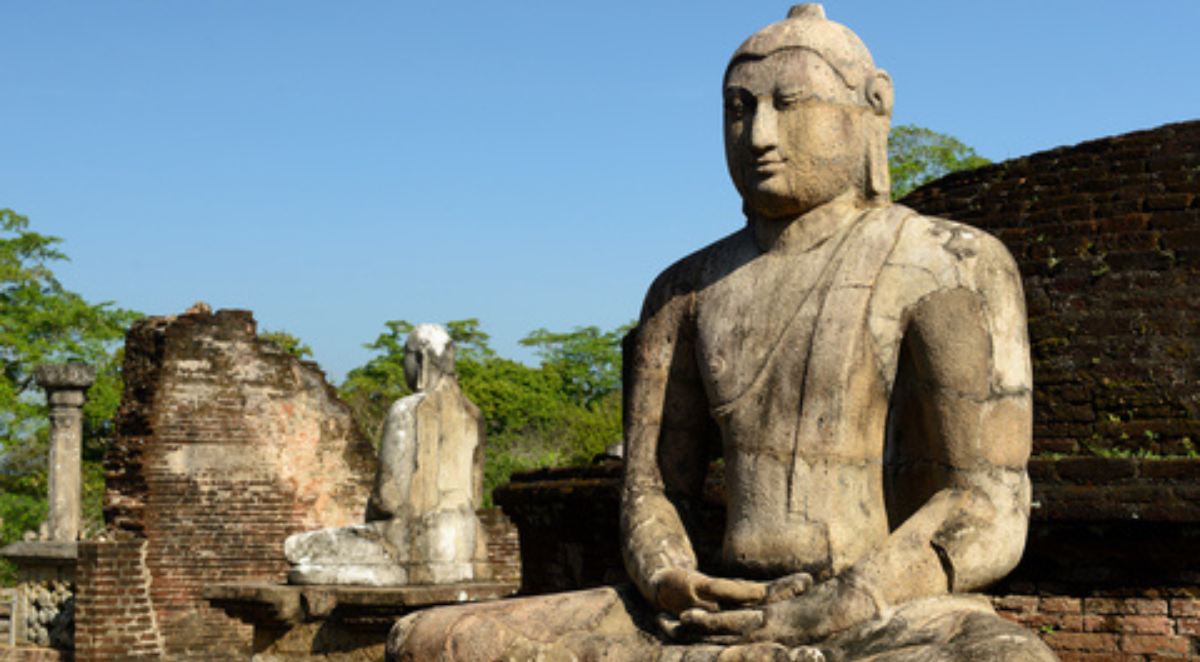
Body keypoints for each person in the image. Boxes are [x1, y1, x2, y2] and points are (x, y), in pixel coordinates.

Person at [389, 6, 1056, 661]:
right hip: (717, 607)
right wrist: (672, 577)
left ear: (874, 108)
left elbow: (988, 502)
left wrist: (842, 601)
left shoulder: (949, 264)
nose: (760, 134)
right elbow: (651, 491)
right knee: (430, 640)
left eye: (790, 104)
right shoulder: (684, 290)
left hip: (876, 611)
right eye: (739, 109)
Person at [286, 324, 490, 586]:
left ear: (420, 358)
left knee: (298, 549)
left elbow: (387, 500)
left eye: (406, 356)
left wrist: (371, 514)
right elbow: (477, 498)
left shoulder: (408, 410)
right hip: (466, 547)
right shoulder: (474, 415)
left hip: (414, 546)